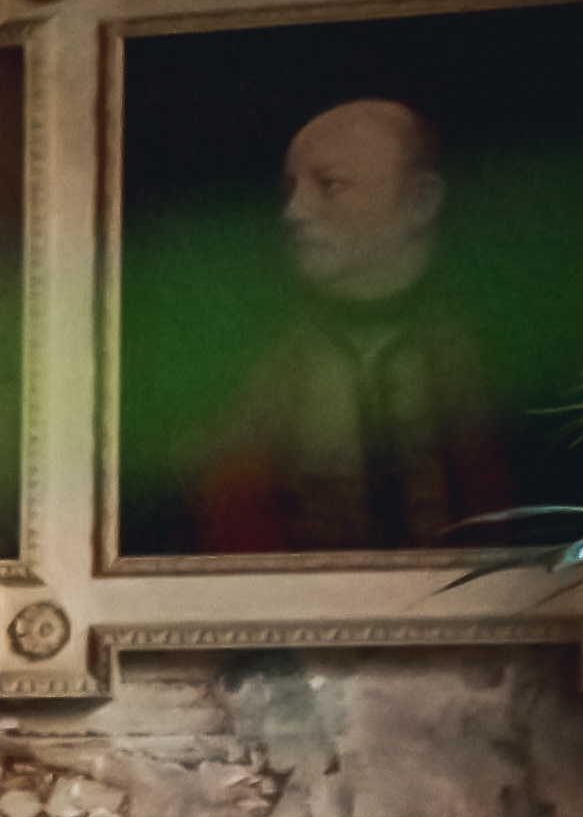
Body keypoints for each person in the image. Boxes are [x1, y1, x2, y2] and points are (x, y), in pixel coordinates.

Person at [182, 96, 513, 554]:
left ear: (421, 202)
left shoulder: (472, 350)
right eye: (291, 188)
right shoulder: (260, 365)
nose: (294, 213)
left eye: (330, 186)